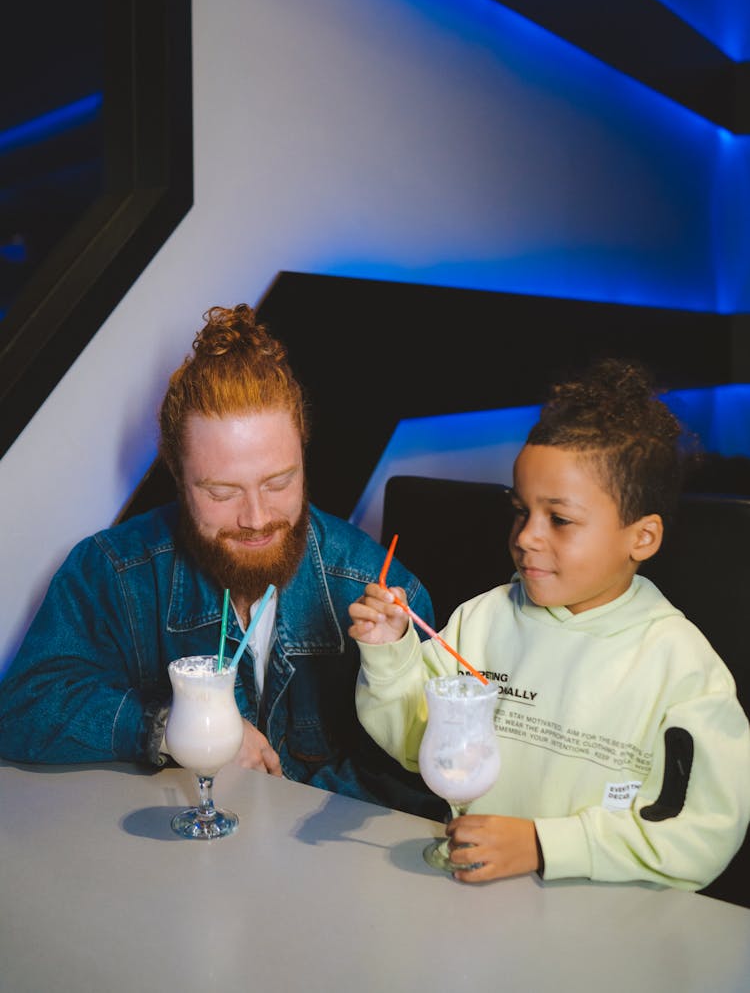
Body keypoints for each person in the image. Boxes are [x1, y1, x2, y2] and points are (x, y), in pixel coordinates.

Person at [0, 305, 441, 818]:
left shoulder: (375, 585)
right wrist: (172, 729)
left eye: (279, 483)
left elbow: (420, 777)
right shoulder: (113, 570)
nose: (256, 518)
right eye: (221, 491)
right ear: (177, 474)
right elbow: (23, 709)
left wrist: (282, 807)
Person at [349, 359, 750, 888]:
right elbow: (416, 743)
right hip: (473, 905)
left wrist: (543, 845)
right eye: (521, 511)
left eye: (559, 519)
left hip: (605, 927)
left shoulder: (681, 667)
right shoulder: (484, 619)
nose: (527, 536)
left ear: (642, 538)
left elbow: (702, 834)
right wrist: (392, 652)